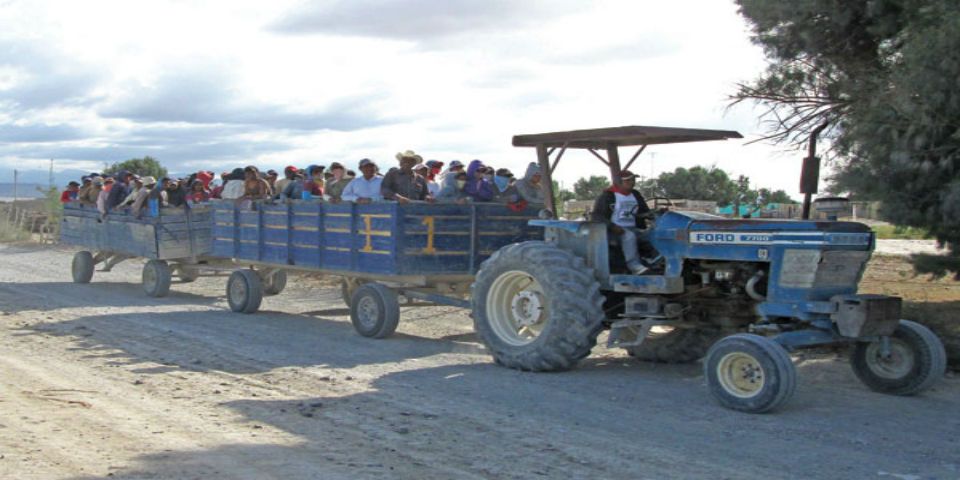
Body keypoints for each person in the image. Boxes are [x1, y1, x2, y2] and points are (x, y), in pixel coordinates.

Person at [591, 170, 653, 275]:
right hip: (613, 230)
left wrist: (653, 214)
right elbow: (597, 216)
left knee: (653, 235)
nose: (632, 182)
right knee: (629, 236)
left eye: (633, 180)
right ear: (619, 182)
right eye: (628, 180)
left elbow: (644, 211)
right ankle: (634, 266)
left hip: (634, 227)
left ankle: (651, 261)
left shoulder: (635, 194)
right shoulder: (608, 196)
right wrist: (612, 226)